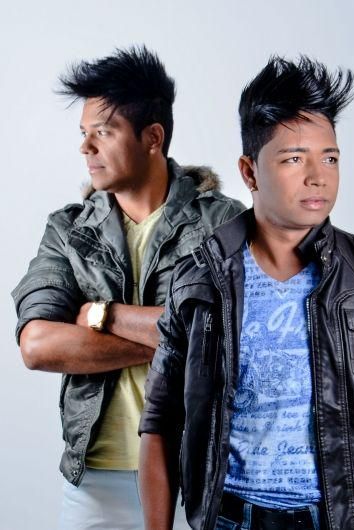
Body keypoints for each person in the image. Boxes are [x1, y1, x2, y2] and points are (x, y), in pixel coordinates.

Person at [138, 56, 354, 530]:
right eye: (294, 158)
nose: (318, 175)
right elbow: (159, 421)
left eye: (330, 158)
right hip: (232, 521)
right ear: (250, 172)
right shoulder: (198, 280)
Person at [12, 45, 245, 529]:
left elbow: (239, 332)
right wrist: (179, 339)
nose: (86, 148)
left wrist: (103, 315)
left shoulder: (223, 222)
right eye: (83, 133)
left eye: (103, 131)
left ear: (152, 137)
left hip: (200, 474)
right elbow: (37, 345)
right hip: (94, 482)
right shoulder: (69, 230)